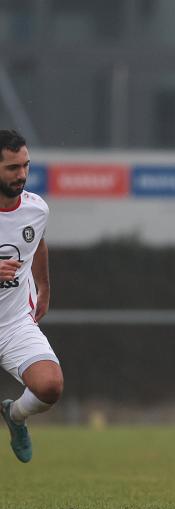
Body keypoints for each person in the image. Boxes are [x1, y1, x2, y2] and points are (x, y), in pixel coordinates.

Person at [0, 129, 64, 463]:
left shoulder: (36, 209)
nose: (22, 174)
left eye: (25, 165)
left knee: (50, 386)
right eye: (12, 168)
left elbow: (37, 241)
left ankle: (15, 415)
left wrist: (44, 288)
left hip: (12, 324)